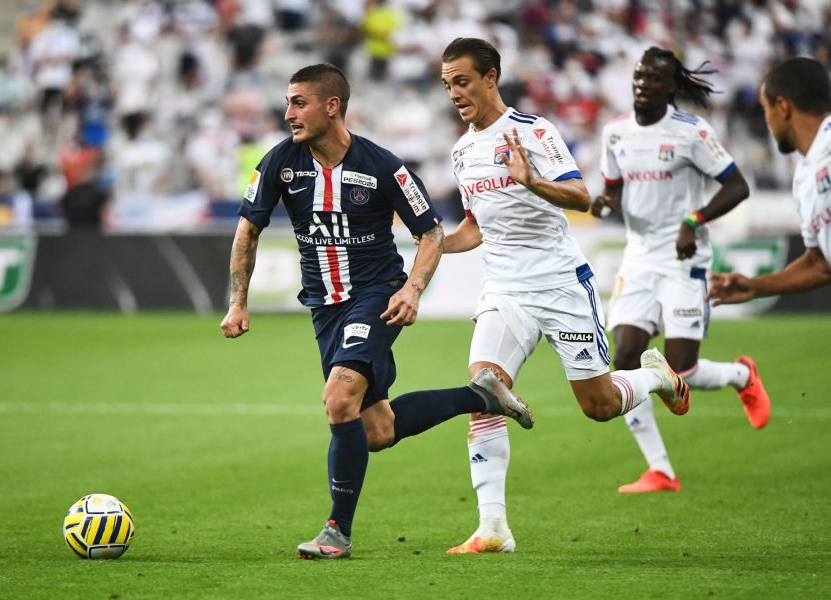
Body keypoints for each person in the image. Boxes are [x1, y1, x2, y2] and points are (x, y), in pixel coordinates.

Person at [219, 63, 533, 560]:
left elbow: (429, 233)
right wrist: (238, 301)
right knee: (377, 430)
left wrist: (411, 290)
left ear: (331, 106)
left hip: (375, 294)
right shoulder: (279, 162)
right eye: (287, 103)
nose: (288, 114)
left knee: (339, 398)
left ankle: (336, 533)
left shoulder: (385, 167)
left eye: (299, 103)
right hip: (324, 307)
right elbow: (247, 230)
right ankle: (481, 394)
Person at [438, 37, 691, 555]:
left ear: (490, 77)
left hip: (559, 284)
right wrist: (432, 245)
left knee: (598, 406)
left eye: (462, 81)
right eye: (447, 85)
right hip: (505, 289)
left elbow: (581, 196)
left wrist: (530, 180)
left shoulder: (533, 132)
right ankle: (493, 529)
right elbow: (473, 227)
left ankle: (655, 376)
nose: (454, 94)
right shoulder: (462, 151)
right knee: (482, 392)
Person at [593, 47, 772, 494]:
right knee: (626, 359)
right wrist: (603, 203)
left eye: (653, 78)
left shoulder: (692, 133)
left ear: (671, 86)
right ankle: (661, 470)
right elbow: (613, 189)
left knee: (681, 371)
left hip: (683, 260)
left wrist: (694, 221)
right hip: (638, 257)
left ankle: (741, 376)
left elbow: (737, 185)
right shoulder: (615, 133)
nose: (642, 84)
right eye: (638, 75)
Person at [709, 56, 831, 304]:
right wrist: (755, 286)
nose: (767, 122)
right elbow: (820, 264)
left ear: (783, 107)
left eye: (766, 110)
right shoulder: (804, 177)